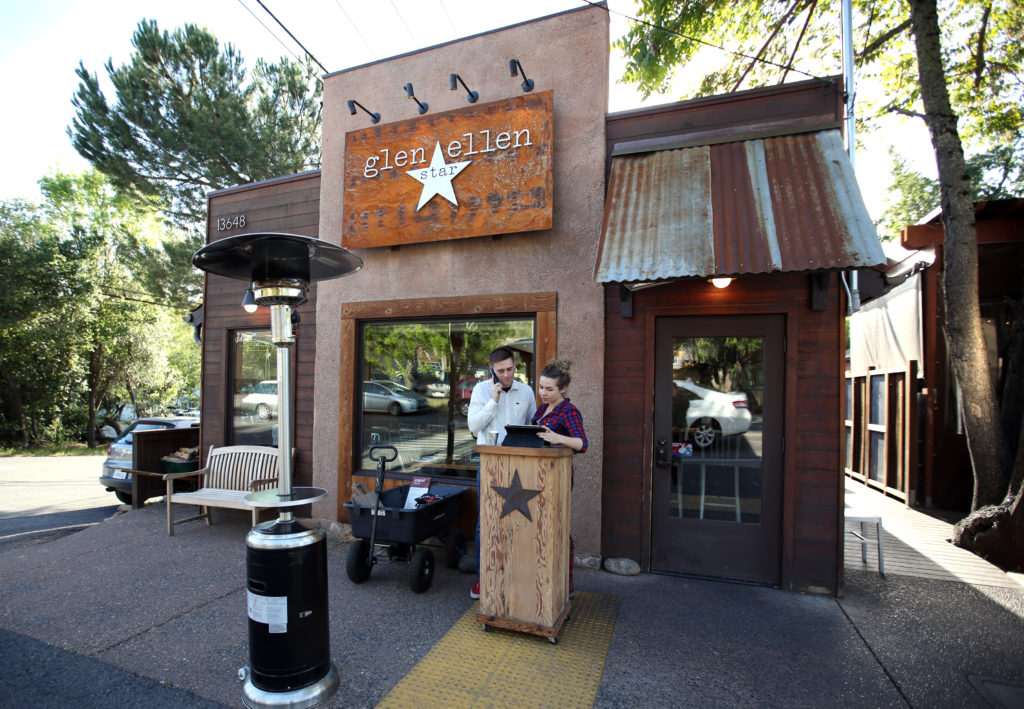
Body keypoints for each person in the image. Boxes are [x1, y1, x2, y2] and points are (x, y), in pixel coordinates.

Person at [465, 346, 536, 599]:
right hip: (490, 463)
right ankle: (483, 577)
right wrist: (493, 401)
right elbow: (473, 426)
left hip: (518, 464)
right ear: (492, 371)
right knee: (486, 521)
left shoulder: (526, 391)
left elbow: (532, 427)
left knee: (518, 521)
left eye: (510, 369)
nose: (506, 375)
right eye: (501, 371)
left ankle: (514, 575)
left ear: (515, 366)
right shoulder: (481, 390)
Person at [532, 358, 587, 598]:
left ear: (562, 389)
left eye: (549, 389)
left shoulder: (569, 410)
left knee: (558, 528)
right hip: (537, 475)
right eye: (541, 387)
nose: (543, 393)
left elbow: (582, 443)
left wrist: (558, 437)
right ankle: (542, 578)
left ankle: (567, 581)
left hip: (559, 477)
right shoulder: (543, 409)